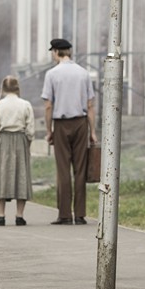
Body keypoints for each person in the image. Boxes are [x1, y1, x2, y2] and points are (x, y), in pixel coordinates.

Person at [41, 38, 97, 225]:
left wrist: (49, 130)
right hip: (81, 123)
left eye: (52, 52)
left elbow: (48, 105)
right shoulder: (83, 73)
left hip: (61, 123)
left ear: (56, 52)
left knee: (63, 170)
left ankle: (64, 214)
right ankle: (80, 214)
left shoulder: (52, 74)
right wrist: (93, 131)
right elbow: (90, 105)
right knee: (80, 169)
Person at [0, 76, 35, 227]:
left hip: (3, 139)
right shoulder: (25, 105)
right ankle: (19, 215)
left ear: (3, 88)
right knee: (21, 174)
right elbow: (30, 129)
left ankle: (1, 215)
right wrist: (28, 142)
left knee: (1, 175)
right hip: (21, 139)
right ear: (17, 88)